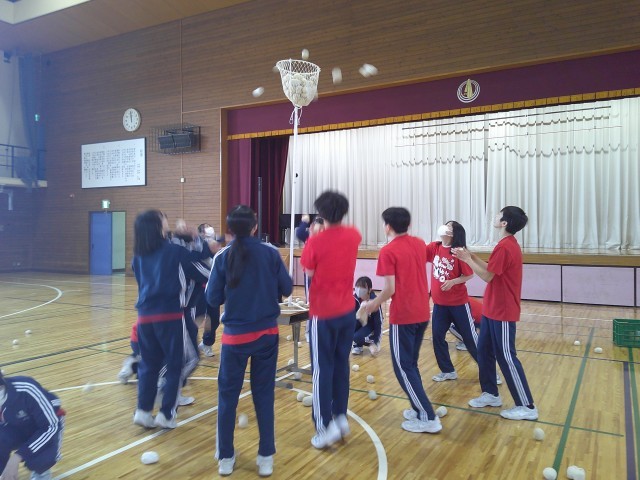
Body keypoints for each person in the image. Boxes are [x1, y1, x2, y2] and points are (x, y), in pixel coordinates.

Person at [206, 205, 292, 476]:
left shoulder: (222, 256)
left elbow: (212, 298)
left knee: (227, 398)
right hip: (267, 335)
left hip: (235, 339)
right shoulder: (271, 253)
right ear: (255, 227)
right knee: (264, 395)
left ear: (230, 229)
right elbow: (288, 288)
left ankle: (226, 457)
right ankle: (266, 457)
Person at [131, 210, 216, 430]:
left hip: (144, 317)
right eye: (163, 218)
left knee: (149, 364)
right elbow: (205, 272)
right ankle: (167, 413)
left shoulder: (138, 256)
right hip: (169, 315)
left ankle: (143, 411)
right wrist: (199, 243)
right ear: (158, 226)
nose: (167, 220)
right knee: (176, 364)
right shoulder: (174, 252)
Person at [453, 206, 538, 421]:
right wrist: (471, 256)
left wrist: (467, 260)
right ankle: (491, 394)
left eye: (499, 214)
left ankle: (526, 405)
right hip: (492, 309)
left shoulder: (506, 246)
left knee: (507, 357)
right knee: (484, 352)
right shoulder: (505, 245)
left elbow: (488, 276)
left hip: (503, 311)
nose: (495, 216)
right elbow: (492, 268)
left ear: (504, 223)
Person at [365, 207, 441, 434]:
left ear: (387, 227)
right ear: (408, 225)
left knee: (403, 367)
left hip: (404, 316)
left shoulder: (388, 251)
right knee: (410, 364)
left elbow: (390, 289)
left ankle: (427, 416)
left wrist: (373, 304)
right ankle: (419, 409)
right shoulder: (419, 243)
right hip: (422, 312)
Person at [300, 191, 361, 449]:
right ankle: (339, 417)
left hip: (323, 314)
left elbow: (308, 271)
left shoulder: (315, 242)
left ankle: (323, 427)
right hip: (347, 312)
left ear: (321, 214)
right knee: (340, 365)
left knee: (321, 370)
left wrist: (313, 236)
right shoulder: (354, 234)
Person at [427, 221, 477, 382]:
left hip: (458, 304)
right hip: (439, 305)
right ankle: (447, 370)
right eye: (445, 225)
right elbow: (416, 253)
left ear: (453, 234)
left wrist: (453, 282)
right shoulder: (434, 247)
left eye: (449, 227)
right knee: (437, 337)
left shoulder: (459, 252)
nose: (444, 227)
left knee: (470, 339)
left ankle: (489, 371)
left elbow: (469, 274)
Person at [0, 371, 65, 480]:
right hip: (16, 423)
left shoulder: (26, 388)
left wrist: (16, 457)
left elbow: (51, 427)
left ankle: (41, 472)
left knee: (40, 460)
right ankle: (5, 475)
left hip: (47, 423)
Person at [295, 215, 325, 342]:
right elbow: (300, 233)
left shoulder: (326, 239)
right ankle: (309, 331)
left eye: (322, 228)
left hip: (323, 276)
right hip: (310, 276)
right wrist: (304, 222)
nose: (320, 230)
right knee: (311, 303)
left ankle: (320, 330)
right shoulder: (309, 237)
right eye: (318, 227)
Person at [351, 276, 383, 356]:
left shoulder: (374, 301)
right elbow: (353, 318)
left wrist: (376, 341)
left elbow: (378, 322)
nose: (359, 289)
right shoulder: (354, 299)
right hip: (360, 323)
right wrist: (361, 310)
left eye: (362, 287)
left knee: (357, 337)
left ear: (369, 289)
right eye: (357, 287)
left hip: (370, 326)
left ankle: (372, 343)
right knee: (349, 329)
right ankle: (358, 345)